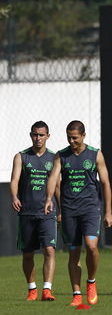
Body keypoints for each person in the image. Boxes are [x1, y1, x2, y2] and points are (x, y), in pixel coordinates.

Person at [44, 120, 112, 306]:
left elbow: (105, 183)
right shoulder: (61, 156)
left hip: (90, 208)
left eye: (75, 138)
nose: (71, 141)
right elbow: (53, 178)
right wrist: (49, 199)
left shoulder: (95, 154)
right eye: (69, 137)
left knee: (91, 247)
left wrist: (108, 211)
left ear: (83, 136)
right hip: (69, 210)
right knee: (74, 253)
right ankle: (76, 294)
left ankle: (91, 282)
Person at [10, 121, 58, 301]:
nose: (38, 138)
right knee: (28, 253)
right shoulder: (21, 157)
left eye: (41, 135)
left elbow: (58, 186)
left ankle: (47, 290)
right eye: (35, 134)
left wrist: (61, 209)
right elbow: (14, 180)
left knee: (49, 250)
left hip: (47, 212)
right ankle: (32, 289)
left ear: (48, 136)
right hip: (27, 212)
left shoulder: (54, 158)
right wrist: (14, 197)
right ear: (31, 135)